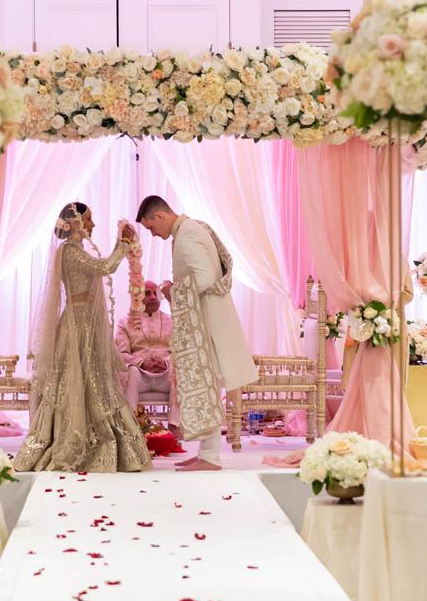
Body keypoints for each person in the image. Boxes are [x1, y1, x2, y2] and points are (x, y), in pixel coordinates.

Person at [14, 202, 151, 473]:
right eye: (89, 219)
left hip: (87, 323)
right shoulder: (69, 252)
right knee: (77, 382)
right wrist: (122, 244)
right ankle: (74, 442)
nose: (93, 225)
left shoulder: (78, 250)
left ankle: (97, 438)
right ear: (75, 222)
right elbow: (106, 267)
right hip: (76, 326)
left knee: (95, 382)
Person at [136, 195, 257, 471]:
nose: (154, 235)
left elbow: (204, 279)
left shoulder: (188, 235)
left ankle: (211, 457)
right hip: (206, 321)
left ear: (160, 216)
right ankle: (207, 453)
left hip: (208, 325)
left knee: (210, 387)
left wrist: (171, 291)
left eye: (151, 228)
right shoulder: (190, 229)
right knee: (208, 388)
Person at [115, 281, 179, 431]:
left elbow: (180, 350)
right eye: (148, 293)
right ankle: (131, 428)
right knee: (132, 371)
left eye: (155, 293)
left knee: (179, 371)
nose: (153, 297)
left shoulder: (172, 321)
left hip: (166, 376)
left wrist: (167, 362)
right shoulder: (124, 322)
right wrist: (141, 363)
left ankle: (174, 427)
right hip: (139, 376)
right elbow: (121, 354)